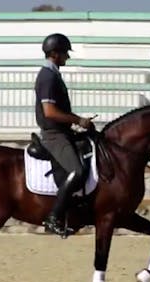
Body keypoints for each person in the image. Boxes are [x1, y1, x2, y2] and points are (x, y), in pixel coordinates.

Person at [34, 33, 96, 237]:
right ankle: (54, 217)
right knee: (77, 171)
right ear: (54, 54)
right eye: (64, 53)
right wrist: (78, 120)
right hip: (53, 135)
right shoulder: (47, 76)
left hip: (63, 131)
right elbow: (50, 112)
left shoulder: (54, 74)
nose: (67, 57)